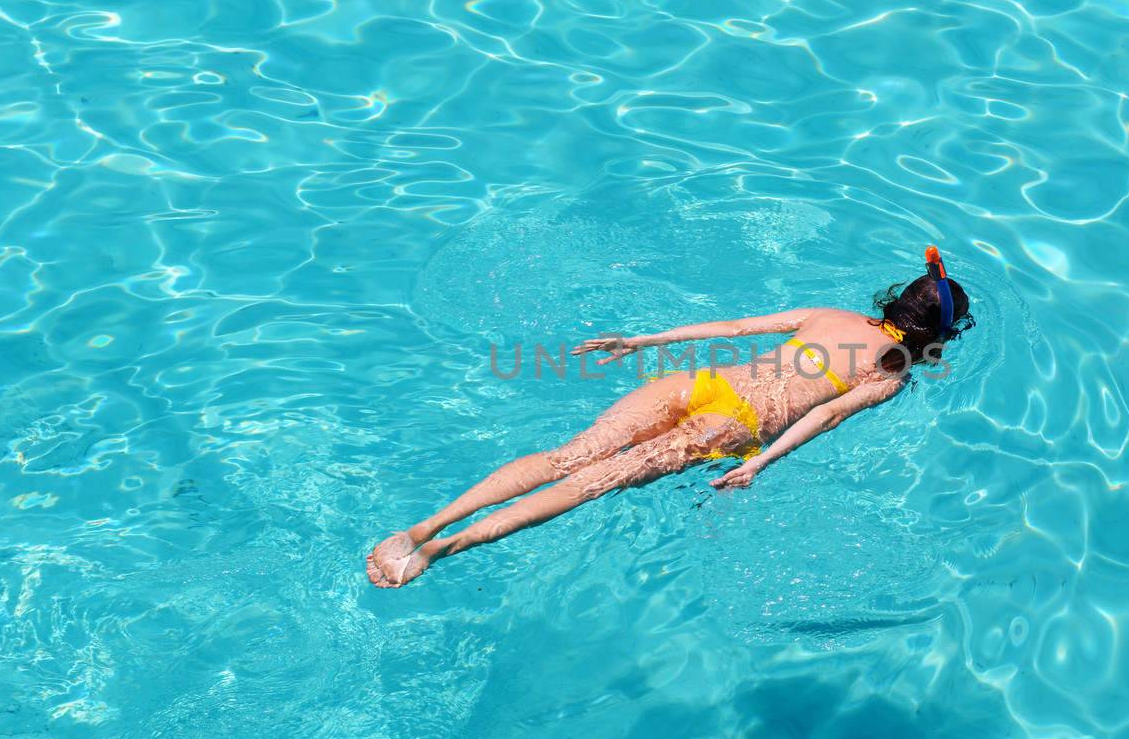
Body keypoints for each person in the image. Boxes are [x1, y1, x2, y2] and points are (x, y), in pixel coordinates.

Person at [366, 247, 972, 587]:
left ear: (897, 297)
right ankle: (442, 551)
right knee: (587, 484)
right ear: (934, 333)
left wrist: (641, 341)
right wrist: (758, 461)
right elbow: (828, 417)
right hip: (732, 427)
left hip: (697, 383)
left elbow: (732, 328)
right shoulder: (890, 373)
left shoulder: (828, 315)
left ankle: (422, 527)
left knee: (568, 456)